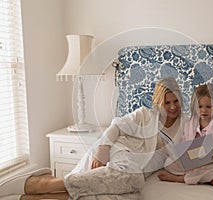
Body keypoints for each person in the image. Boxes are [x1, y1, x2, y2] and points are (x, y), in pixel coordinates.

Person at [0, 77, 188, 200]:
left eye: (176, 101)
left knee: (128, 195)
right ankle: (44, 184)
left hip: (140, 169)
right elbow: (116, 127)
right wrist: (102, 149)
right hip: (124, 152)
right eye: (167, 102)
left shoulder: (187, 125)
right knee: (131, 178)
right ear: (158, 102)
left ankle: (40, 195)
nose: (172, 107)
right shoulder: (146, 114)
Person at [157, 83, 213, 187]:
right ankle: (207, 178)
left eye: (209, 107)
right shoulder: (190, 125)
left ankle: (181, 179)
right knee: (169, 163)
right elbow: (185, 143)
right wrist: (184, 154)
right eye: (199, 106)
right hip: (195, 162)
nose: (203, 110)